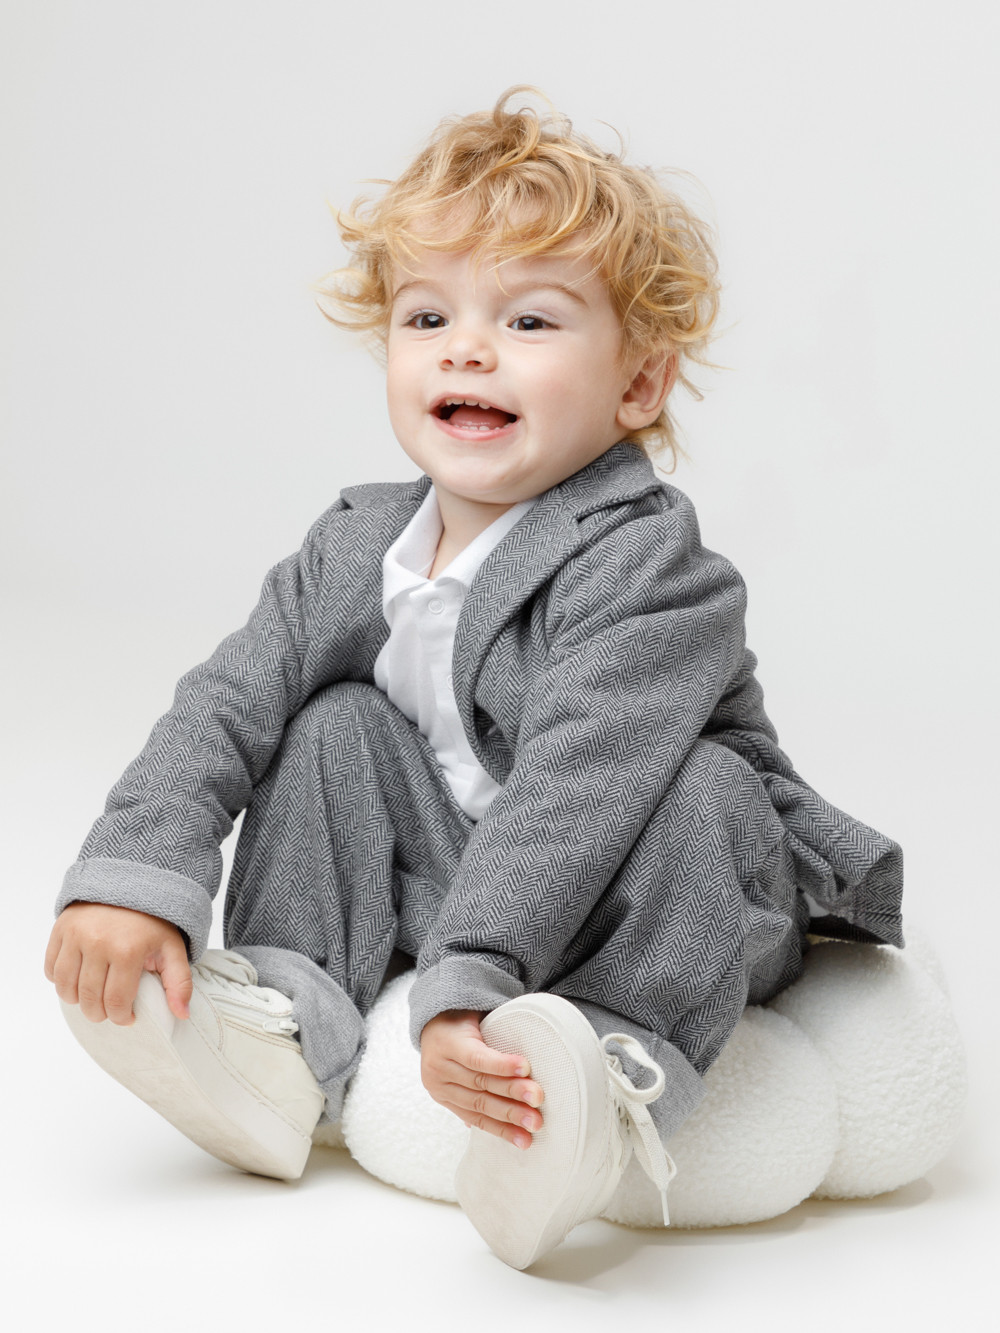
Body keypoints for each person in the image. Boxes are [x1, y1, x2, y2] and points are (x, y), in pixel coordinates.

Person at [44, 86, 904, 1270]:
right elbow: (226, 702)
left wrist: (469, 983)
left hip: (671, 890)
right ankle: (285, 1034)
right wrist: (138, 873)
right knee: (333, 723)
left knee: (703, 786)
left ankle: (604, 1075)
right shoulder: (355, 544)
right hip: (473, 867)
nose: (466, 347)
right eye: (427, 315)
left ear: (637, 387)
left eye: (530, 320)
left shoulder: (653, 565)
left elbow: (577, 791)